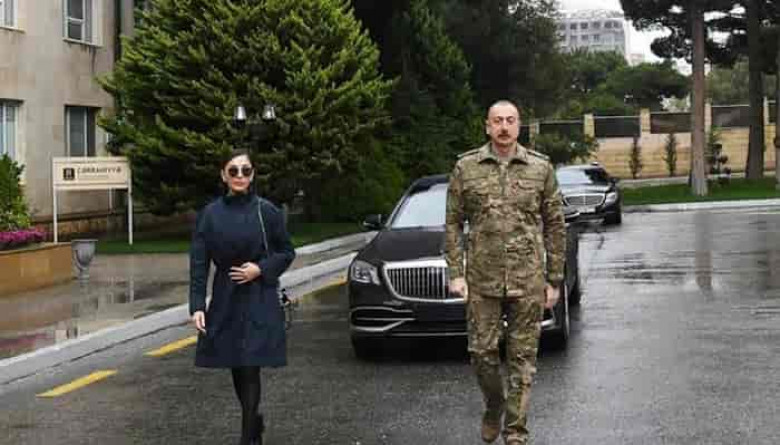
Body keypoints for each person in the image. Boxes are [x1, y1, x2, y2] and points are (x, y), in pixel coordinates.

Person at [445, 100, 566, 445]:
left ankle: (515, 432)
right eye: (497, 121)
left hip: (528, 280)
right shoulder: (466, 167)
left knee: (523, 359)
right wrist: (456, 272)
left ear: (519, 125)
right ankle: (494, 405)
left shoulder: (540, 168)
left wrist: (554, 278)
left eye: (510, 120)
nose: (503, 127)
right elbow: (453, 223)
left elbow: (555, 225)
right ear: (487, 126)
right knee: (482, 354)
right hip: (482, 281)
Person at [190, 149, 295, 445]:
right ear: (223, 175)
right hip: (226, 297)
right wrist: (197, 305)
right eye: (233, 170)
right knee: (238, 363)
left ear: (253, 175)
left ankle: (247, 436)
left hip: (259, 295)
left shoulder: (267, 211)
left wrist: (260, 269)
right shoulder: (209, 215)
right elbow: (199, 262)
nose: (240, 176)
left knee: (249, 364)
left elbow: (287, 252)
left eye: (245, 170)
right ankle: (254, 422)